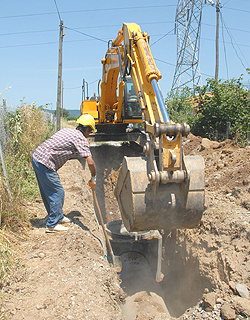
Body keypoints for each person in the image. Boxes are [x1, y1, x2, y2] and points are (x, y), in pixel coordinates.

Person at [32, 114, 96, 233]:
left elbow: (55, 147)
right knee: (57, 191)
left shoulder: (67, 131)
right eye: (90, 131)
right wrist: (93, 178)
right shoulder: (81, 139)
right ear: (87, 129)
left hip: (38, 157)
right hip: (44, 162)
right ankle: (52, 224)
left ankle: (58, 216)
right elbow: (91, 162)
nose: (89, 134)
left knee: (48, 191)